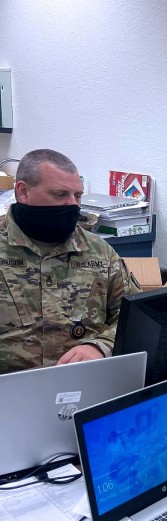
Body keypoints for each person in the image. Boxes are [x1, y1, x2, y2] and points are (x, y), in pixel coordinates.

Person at [0, 148, 140, 373]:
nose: (73, 205)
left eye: (77, 195)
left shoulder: (98, 251)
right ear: (23, 192)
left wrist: (101, 346)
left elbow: (137, 316)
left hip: (84, 384)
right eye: (59, 194)